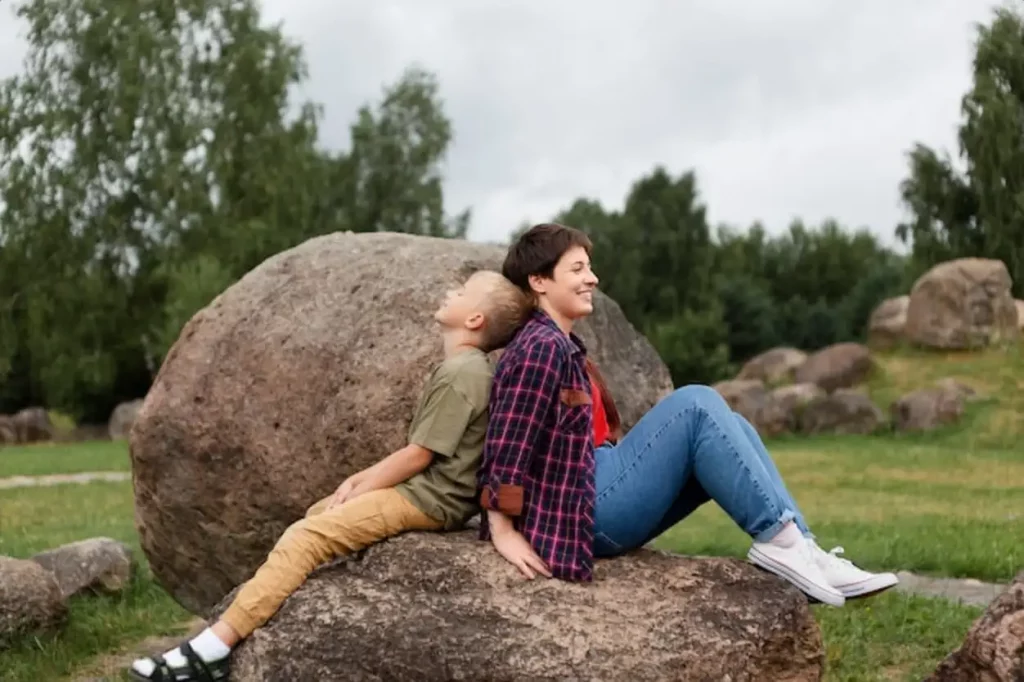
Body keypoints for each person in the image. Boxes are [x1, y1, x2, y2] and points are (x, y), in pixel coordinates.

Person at [130, 270, 531, 682]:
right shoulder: (463, 368)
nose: (450, 291)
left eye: (462, 292)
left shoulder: (464, 373)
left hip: (431, 500)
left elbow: (419, 455)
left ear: (475, 320)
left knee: (307, 537)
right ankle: (251, 609)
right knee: (319, 514)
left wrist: (364, 483)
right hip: (424, 491)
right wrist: (360, 482)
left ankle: (212, 650)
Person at [477, 223, 898, 606]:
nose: (593, 279)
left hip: (597, 486)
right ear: (539, 280)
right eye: (578, 269)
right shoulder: (539, 348)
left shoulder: (561, 345)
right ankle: (783, 542)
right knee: (696, 404)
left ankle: (801, 546)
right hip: (585, 511)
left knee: (734, 427)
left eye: (590, 268)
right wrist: (503, 530)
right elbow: (508, 442)